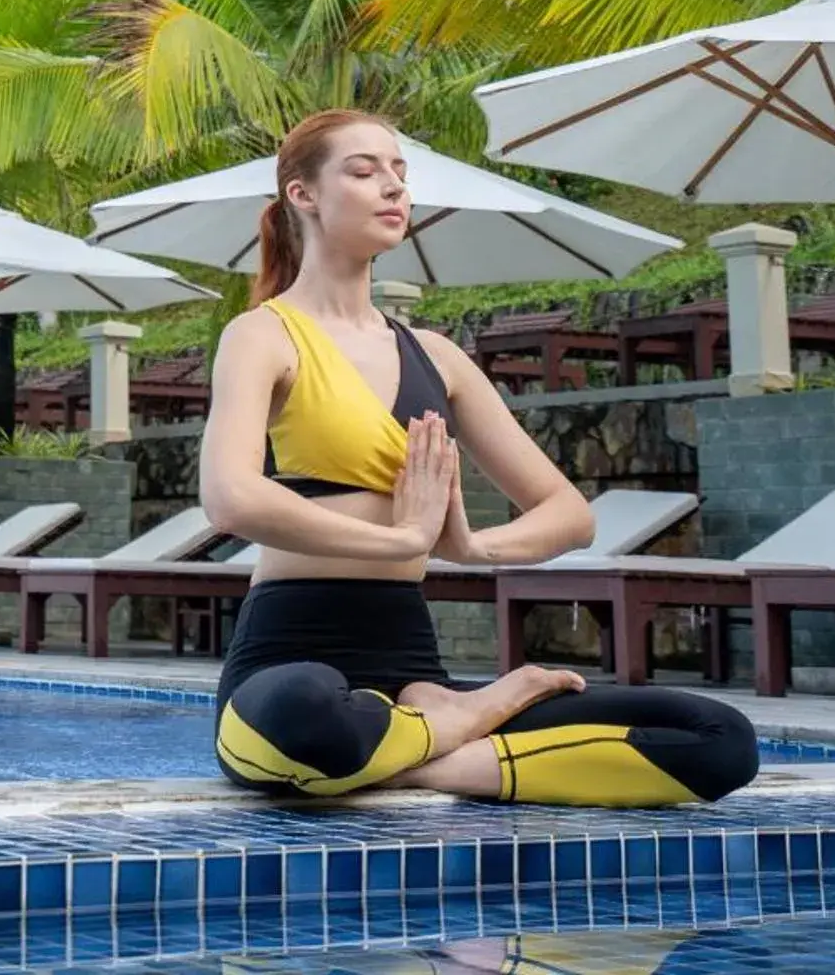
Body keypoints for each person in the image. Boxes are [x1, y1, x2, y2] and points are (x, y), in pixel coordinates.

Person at [199, 109, 757, 806]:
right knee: (301, 718)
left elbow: (569, 516)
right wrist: (402, 537)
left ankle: (417, 747)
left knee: (717, 736)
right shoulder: (263, 335)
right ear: (302, 195)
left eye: (400, 173)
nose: (394, 188)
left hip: (411, 664)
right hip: (288, 655)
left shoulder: (437, 356)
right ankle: (456, 729)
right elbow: (231, 497)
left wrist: (468, 546)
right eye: (365, 171)